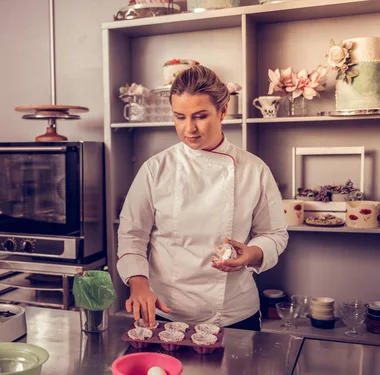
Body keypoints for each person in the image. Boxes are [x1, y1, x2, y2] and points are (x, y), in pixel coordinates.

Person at [116, 65, 288, 331]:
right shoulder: (155, 169)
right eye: (179, 117)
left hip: (234, 314)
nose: (189, 129)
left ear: (223, 110)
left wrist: (252, 253)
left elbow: (275, 233)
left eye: (200, 116)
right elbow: (132, 235)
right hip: (166, 310)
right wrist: (138, 285)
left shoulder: (253, 169)